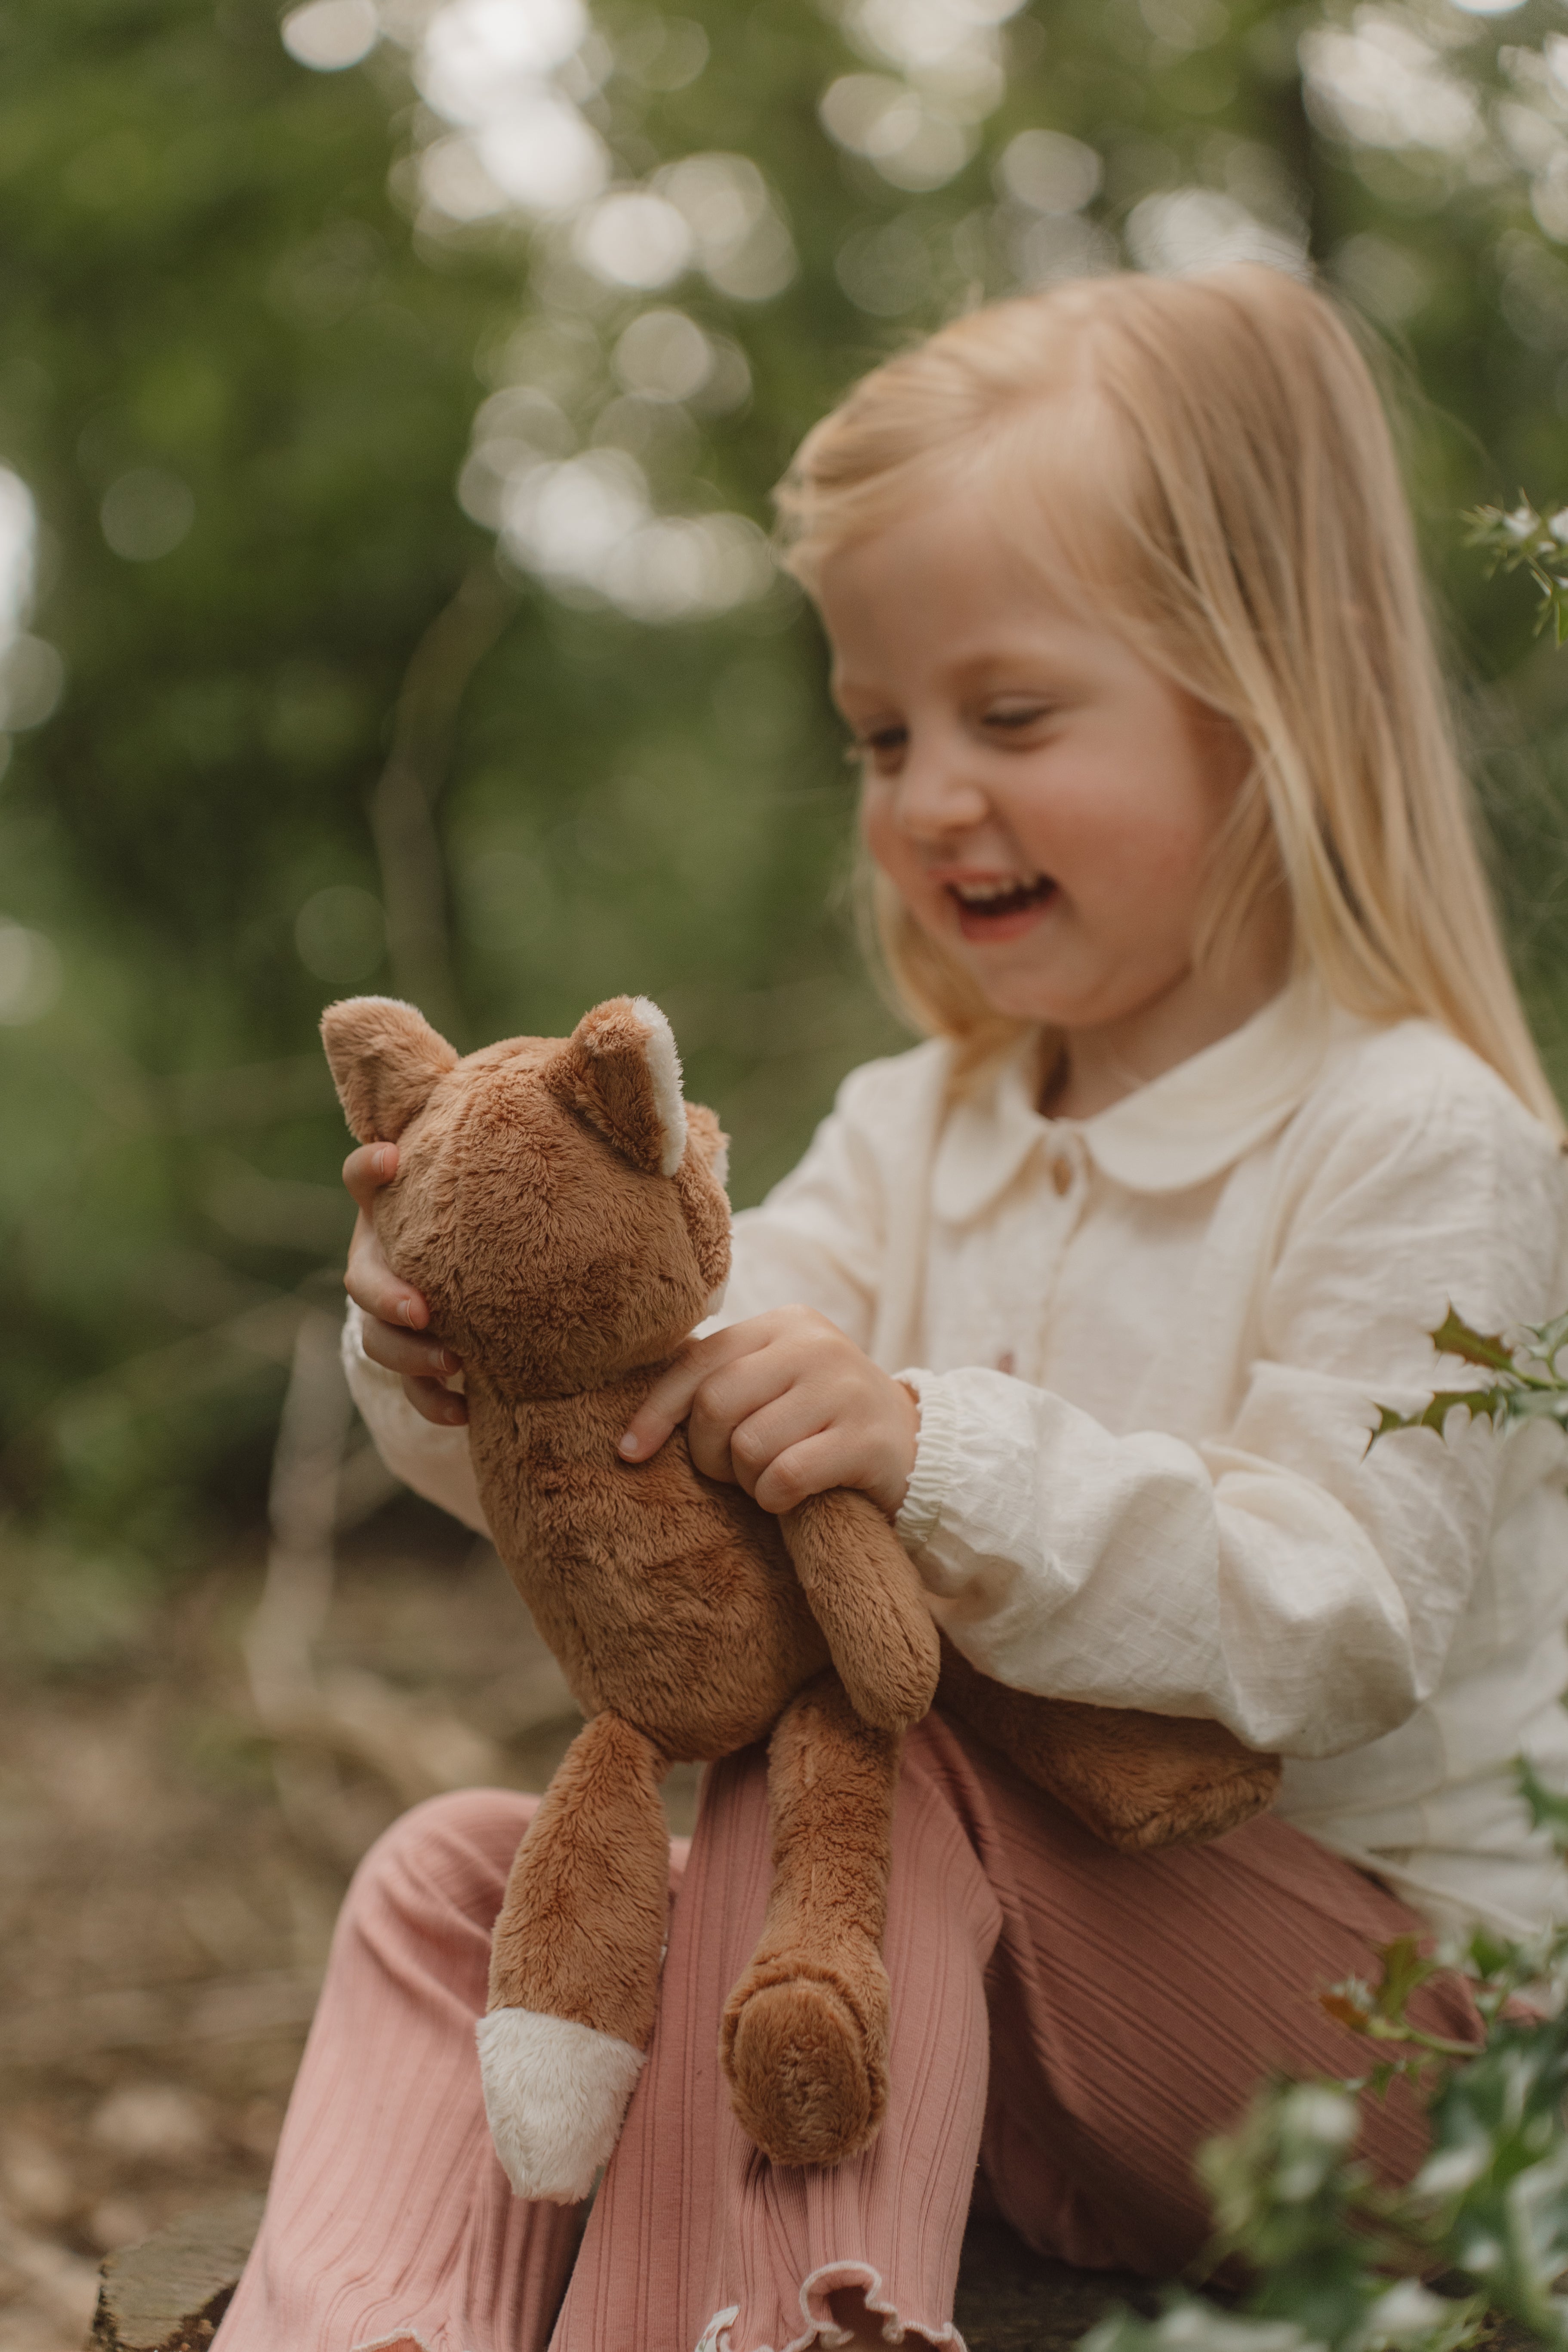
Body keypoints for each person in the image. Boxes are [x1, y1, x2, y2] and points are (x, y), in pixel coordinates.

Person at [217, 265, 1568, 2352]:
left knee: (877, 1747)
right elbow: (662, 1434)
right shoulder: (905, 1125)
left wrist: (934, 1454)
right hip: (1018, 1979)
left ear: (1270, 696)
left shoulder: (1414, 1133)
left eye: (1010, 715)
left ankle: (744, 2323)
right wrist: (477, 1347)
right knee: (448, 1877)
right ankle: (369, 2329)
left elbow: (1346, 1614)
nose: (930, 789)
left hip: (1405, 2040)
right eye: (881, 731)